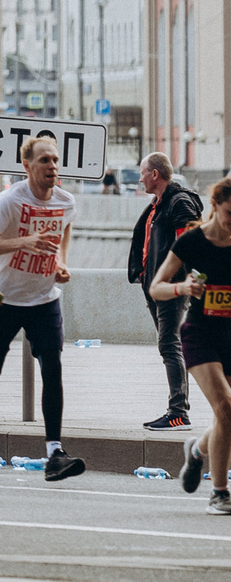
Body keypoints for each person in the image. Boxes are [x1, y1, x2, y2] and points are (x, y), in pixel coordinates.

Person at [0, 136, 85, 481]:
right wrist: (24, 241)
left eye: (55, 160)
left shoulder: (66, 201)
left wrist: (61, 263)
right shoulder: (10, 201)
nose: (52, 166)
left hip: (44, 299)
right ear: (27, 166)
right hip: (4, 298)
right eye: (44, 161)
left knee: (52, 368)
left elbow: (64, 232)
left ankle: (55, 453)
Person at [146, 174, 231, 510]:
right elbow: (157, 286)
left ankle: (196, 451)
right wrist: (183, 288)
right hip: (200, 332)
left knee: (228, 416)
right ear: (215, 207)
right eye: (230, 213)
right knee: (224, 406)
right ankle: (220, 493)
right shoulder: (193, 241)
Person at [134, 152, 206, 431]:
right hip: (156, 287)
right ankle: (178, 409)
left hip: (171, 288)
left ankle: (178, 413)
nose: (139, 178)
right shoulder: (158, 204)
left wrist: (185, 282)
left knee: (169, 344)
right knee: (170, 344)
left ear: (155, 174)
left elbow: (188, 244)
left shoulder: (179, 202)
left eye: (142, 173)